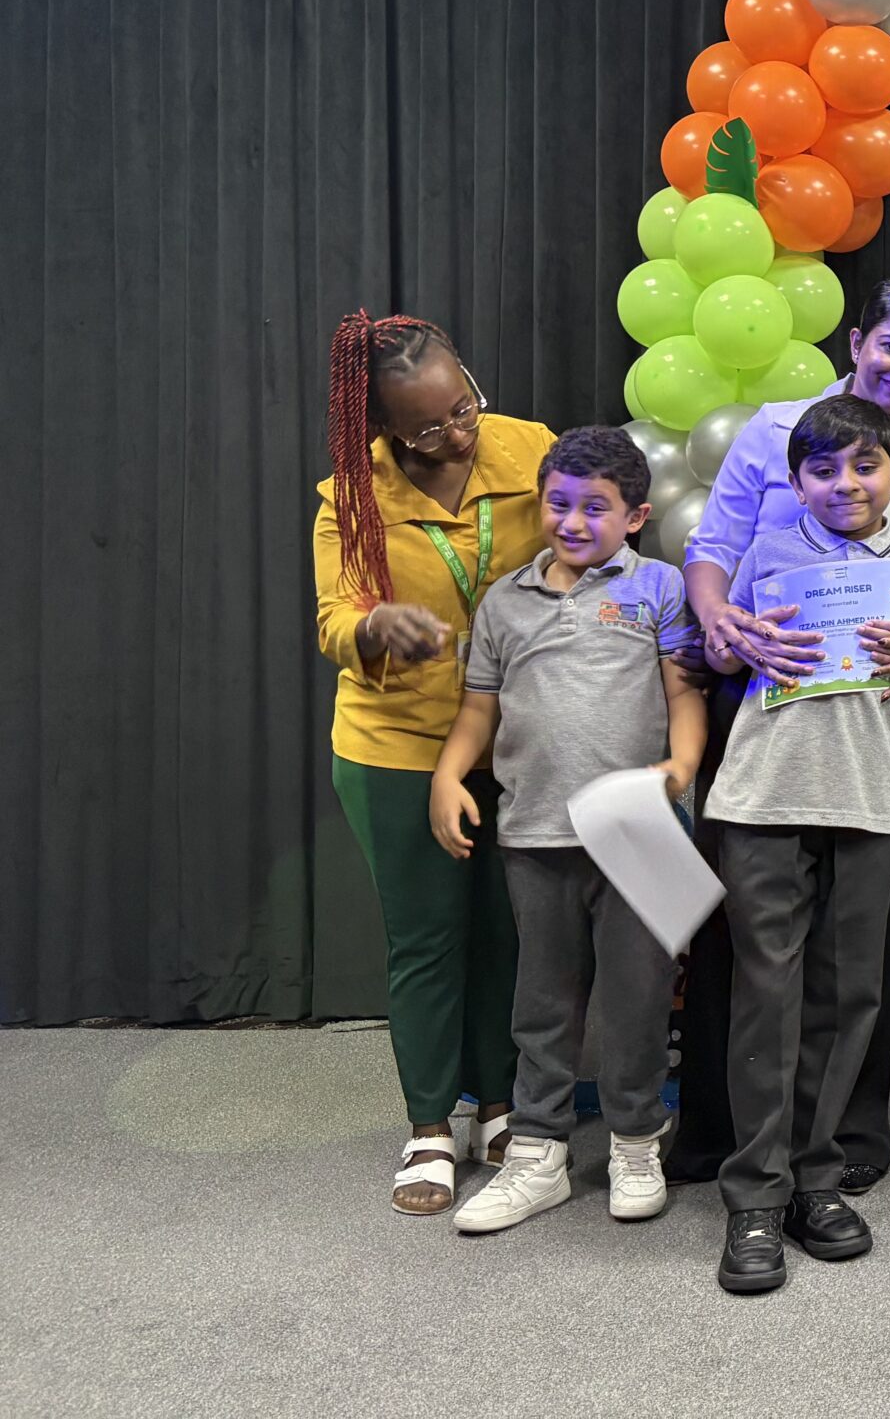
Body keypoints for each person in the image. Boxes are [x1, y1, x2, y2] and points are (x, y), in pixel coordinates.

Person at [677, 278, 890, 1195]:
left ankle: (838, 1143)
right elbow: (713, 550)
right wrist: (722, 625)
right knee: (750, 948)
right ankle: (732, 1144)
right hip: (764, 711)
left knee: (859, 951)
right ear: (857, 342)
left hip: (877, 714)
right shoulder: (776, 430)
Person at [700, 394, 890, 1294]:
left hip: (868, 799)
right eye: (822, 469)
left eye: (865, 466)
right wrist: (738, 638)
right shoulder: (767, 553)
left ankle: (815, 1176)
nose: (845, 483)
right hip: (765, 796)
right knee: (766, 993)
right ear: (796, 480)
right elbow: (723, 655)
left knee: (850, 994)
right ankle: (755, 1195)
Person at [423, 427, 708, 1233]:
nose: (573, 522)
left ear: (636, 516)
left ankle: (635, 1140)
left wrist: (682, 765)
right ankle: (539, 1150)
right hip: (536, 833)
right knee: (543, 1001)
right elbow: (479, 707)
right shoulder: (505, 600)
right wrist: (449, 774)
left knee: (638, 999)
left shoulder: (659, 586)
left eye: (596, 508)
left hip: (639, 833)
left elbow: (684, 692)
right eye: (560, 503)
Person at [312, 309, 552, 1216]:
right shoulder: (351, 498)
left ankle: (499, 1105)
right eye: (428, 427)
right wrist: (378, 625)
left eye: (464, 406)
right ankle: (428, 1126)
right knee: (427, 938)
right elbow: (335, 618)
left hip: (514, 738)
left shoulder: (530, 449)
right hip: (397, 747)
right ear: (382, 428)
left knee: (504, 930)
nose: (457, 433)